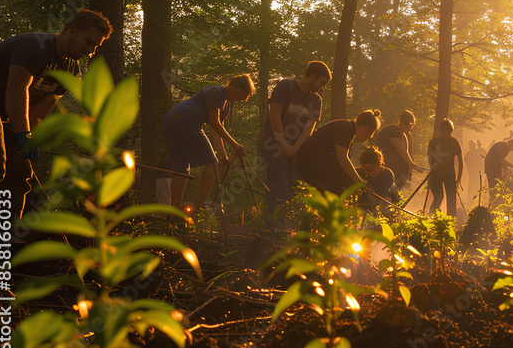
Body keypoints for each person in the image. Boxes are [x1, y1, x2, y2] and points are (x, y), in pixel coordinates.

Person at [0, 9, 111, 226]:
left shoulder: (70, 68)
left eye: (94, 47)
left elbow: (46, 102)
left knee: (20, 171)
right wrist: (22, 132)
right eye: (88, 42)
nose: (89, 51)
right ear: (72, 30)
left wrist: (28, 137)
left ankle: (7, 239)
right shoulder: (35, 47)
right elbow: (16, 88)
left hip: (1, 111)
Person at [162, 74, 255, 213]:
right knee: (211, 163)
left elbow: (217, 130)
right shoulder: (216, 92)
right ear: (237, 89)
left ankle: (173, 212)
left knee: (181, 170)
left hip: (170, 121)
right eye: (242, 97)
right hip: (185, 123)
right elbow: (213, 121)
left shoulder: (226, 105)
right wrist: (235, 145)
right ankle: (202, 207)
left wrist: (223, 155)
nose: (241, 101)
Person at [260, 60, 331, 226]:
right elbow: (274, 116)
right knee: (279, 190)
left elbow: (308, 129)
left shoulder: (316, 100)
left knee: (295, 191)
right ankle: (271, 229)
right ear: (311, 76)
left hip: (296, 152)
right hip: (274, 149)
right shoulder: (286, 87)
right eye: (322, 82)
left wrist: (294, 148)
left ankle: (287, 231)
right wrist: (284, 144)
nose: (323, 87)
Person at [295, 109, 382, 195]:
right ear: (365, 127)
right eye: (371, 133)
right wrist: (358, 181)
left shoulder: (349, 132)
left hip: (314, 160)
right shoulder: (346, 128)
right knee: (335, 189)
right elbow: (343, 159)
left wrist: (351, 183)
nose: (369, 137)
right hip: (309, 159)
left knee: (339, 187)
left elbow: (340, 165)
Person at [373, 110, 422, 190]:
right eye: (412, 125)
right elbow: (403, 152)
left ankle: (395, 195)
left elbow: (408, 154)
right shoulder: (393, 130)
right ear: (409, 124)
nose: (411, 128)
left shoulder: (404, 135)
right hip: (381, 166)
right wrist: (413, 165)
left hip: (393, 168)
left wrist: (410, 170)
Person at [427, 119, 463, 216]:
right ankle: (432, 217)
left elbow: (461, 162)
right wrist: (432, 169)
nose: (445, 135)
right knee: (439, 197)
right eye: (444, 132)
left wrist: (458, 180)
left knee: (451, 200)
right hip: (436, 174)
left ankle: (450, 223)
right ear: (440, 131)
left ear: (451, 131)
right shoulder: (433, 142)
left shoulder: (455, 143)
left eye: (448, 132)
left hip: (450, 175)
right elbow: (429, 158)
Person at [358, 146, 399, 214]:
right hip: (364, 208)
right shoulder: (360, 172)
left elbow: (381, 197)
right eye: (364, 168)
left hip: (384, 206)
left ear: (377, 165)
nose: (366, 171)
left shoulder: (387, 174)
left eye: (369, 168)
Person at [484, 137, 513, 206]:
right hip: (493, 170)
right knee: (495, 188)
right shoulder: (505, 147)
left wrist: (511, 168)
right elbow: (500, 161)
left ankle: (492, 205)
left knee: (493, 188)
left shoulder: (501, 145)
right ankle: (493, 205)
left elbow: (500, 160)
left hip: (490, 170)